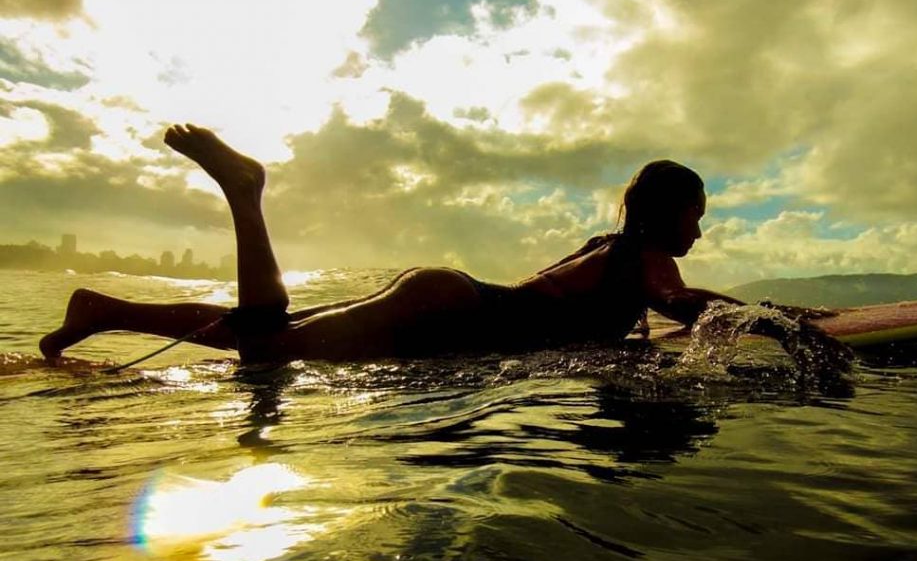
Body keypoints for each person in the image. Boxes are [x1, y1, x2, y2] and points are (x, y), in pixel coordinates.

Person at [40, 124, 832, 365]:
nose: (702, 229)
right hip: (447, 311)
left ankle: (103, 310)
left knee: (248, 331)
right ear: (667, 216)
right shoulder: (648, 259)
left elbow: (660, 317)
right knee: (269, 350)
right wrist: (786, 323)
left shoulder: (611, 248)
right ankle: (245, 196)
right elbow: (686, 304)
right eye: (697, 213)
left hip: (446, 296)